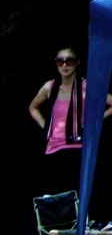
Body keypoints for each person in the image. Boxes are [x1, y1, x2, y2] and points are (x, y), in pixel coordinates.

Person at [27, 46, 112, 196]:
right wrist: (46, 126)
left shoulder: (86, 85)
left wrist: (92, 123)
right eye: (60, 62)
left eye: (69, 61)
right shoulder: (50, 87)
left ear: (76, 62)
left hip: (78, 148)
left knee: (79, 195)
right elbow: (33, 107)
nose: (65, 65)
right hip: (53, 149)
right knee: (51, 198)